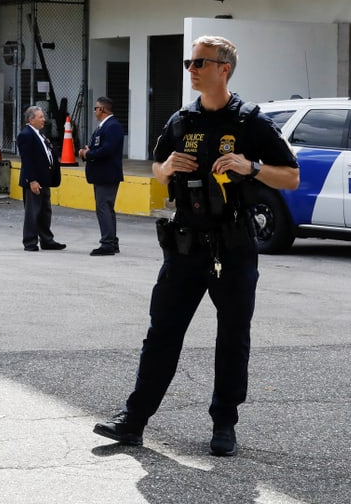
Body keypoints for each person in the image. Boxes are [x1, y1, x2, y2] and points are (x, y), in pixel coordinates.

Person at [94, 35, 299, 456]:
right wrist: (165, 168)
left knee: (232, 338)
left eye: (200, 62)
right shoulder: (180, 121)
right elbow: (156, 168)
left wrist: (252, 166)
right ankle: (133, 421)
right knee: (162, 333)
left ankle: (224, 424)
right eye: (189, 62)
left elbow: (291, 176)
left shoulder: (250, 123)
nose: (191, 69)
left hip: (234, 247)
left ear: (224, 68)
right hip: (185, 245)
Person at [78, 96, 124, 256]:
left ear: (102, 109)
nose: (95, 111)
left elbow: (107, 150)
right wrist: (88, 151)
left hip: (107, 174)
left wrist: (88, 153)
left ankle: (107, 244)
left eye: (96, 108)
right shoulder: (103, 127)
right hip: (101, 174)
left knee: (103, 208)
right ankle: (111, 241)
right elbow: (99, 146)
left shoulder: (112, 126)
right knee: (105, 208)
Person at [16, 105, 65, 252]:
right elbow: (27, 160)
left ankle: (46, 239)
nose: (44, 120)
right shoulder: (26, 135)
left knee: (45, 211)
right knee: (33, 211)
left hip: (44, 180)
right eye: (40, 117)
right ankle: (30, 241)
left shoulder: (39, 134)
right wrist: (32, 180)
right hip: (35, 181)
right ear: (31, 119)